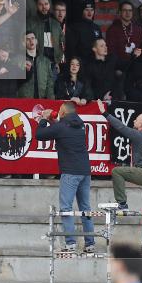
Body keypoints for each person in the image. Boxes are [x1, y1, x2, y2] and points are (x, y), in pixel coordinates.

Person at [35, 101, 96, 254]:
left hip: (70, 172)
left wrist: (43, 118)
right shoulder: (80, 125)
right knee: (85, 208)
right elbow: (62, 129)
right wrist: (53, 121)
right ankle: (90, 244)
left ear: (62, 113)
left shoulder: (61, 127)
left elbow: (39, 135)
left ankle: (70, 244)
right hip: (85, 172)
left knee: (66, 208)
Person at [97, 99, 142, 211]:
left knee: (117, 171)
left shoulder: (138, 134)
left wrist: (104, 113)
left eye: (136, 120)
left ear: (141, 124)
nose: (134, 121)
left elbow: (120, 127)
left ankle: (122, 203)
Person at [18, 31, 55, 98]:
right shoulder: (19, 60)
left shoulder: (45, 61)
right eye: (27, 39)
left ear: (36, 41)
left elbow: (49, 83)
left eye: (32, 38)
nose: (31, 41)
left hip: (41, 99)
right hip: (24, 100)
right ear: (23, 43)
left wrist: (50, 100)